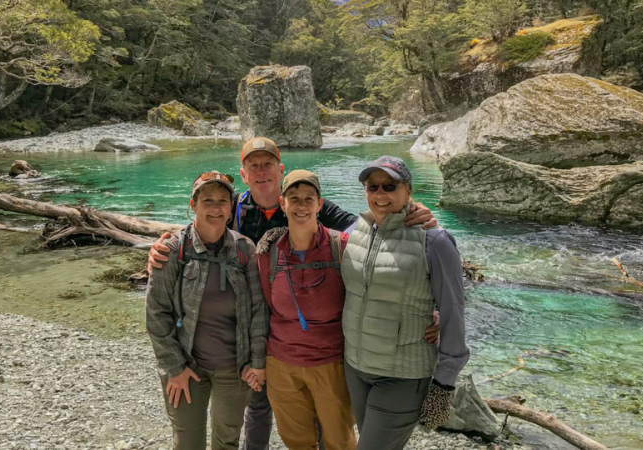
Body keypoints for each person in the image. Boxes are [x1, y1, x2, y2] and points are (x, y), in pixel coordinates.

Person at [148, 137, 439, 450]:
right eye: (253, 166)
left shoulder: (309, 201)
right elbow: (205, 227)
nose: (261, 172)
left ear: (280, 168)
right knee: (258, 409)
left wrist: (407, 212)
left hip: (306, 339)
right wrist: (163, 247)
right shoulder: (235, 207)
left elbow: (369, 231)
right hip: (258, 335)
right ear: (244, 174)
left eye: (268, 164)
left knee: (322, 422)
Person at [340, 156, 470, 450]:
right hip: (356, 368)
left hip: (403, 375)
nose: (380, 194)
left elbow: (453, 307)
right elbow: (313, 235)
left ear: (408, 191)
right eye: (373, 186)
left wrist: (445, 381)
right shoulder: (354, 232)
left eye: (390, 186)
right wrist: (276, 236)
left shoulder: (434, 240)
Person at [145, 171, 268, 450]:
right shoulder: (173, 249)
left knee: (227, 442)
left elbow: (258, 310)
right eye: (207, 200)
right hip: (187, 365)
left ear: (231, 207)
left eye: (223, 200)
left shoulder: (244, 249)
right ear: (193, 205)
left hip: (234, 369)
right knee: (188, 442)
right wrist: (174, 367)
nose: (216, 208)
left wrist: (257, 361)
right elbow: (156, 312)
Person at [254, 170, 356, 450]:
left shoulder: (342, 247)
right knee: (297, 442)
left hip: (331, 363)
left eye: (308, 199)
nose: (301, 205)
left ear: (319, 204)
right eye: (294, 198)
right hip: (281, 365)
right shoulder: (268, 252)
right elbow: (265, 307)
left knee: (341, 442)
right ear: (282, 203)